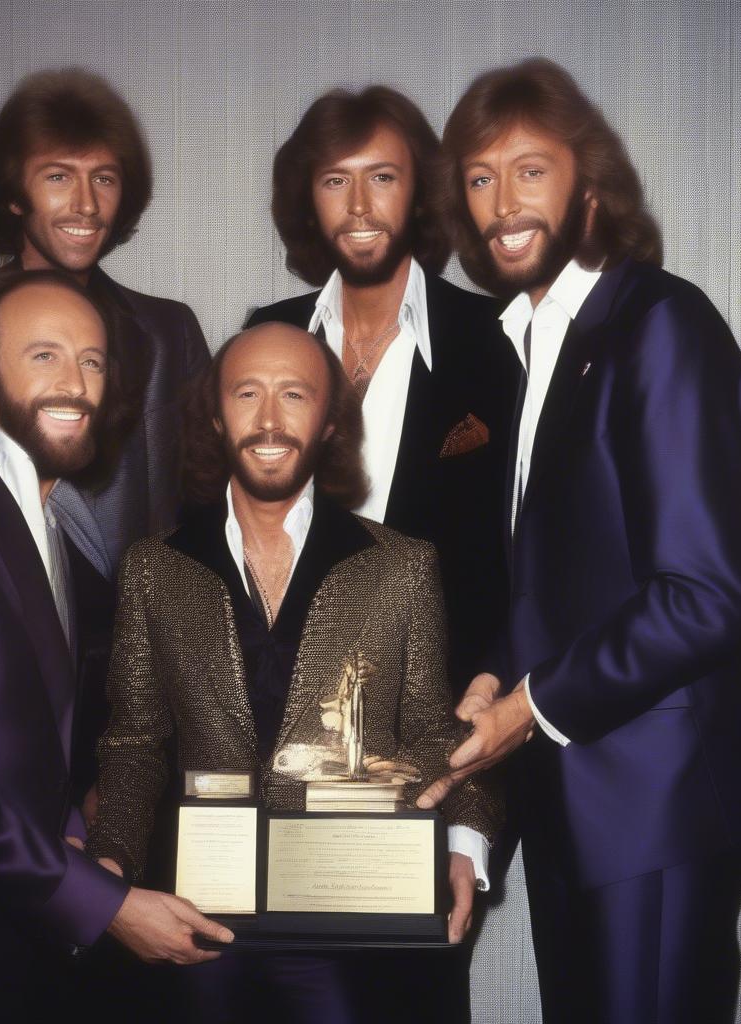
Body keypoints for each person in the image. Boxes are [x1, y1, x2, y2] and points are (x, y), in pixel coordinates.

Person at [416, 58, 741, 1024]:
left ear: (590, 185)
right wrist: (496, 681)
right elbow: (559, 584)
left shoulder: (661, 324)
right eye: (479, 176)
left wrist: (526, 709)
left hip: (657, 809)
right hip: (578, 805)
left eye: (529, 169)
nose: (502, 202)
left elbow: (708, 592)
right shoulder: (536, 344)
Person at [86, 322, 501, 1023]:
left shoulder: (402, 566)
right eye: (247, 393)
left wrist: (466, 841)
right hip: (198, 921)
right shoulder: (153, 569)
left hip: (349, 925)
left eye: (295, 395)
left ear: (330, 420)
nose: (270, 420)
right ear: (215, 417)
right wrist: (108, 873)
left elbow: (433, 729)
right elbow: (133, 744)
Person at [0, 271, 230, 1024]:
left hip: (24, 941)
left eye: (92, 361)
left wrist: (95, 825)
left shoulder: (47, 530)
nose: (76, 381)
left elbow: (27, 745)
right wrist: (105, 902)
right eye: (44, 356)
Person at [245, 84, 518, 1022]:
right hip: (272, 785)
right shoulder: (264, 337)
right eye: (335, 180)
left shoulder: (497, 346)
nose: (359, 207)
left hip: (436, 774)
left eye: (384, 178)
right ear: (306, 199)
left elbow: (523, 589)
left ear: (420, 192)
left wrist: (471, 838)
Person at [0, 66, 210, 808]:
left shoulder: (169, 333)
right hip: (13, 691)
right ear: (14, 193)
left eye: (105, 179)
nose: (85, 204)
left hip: (154, 688)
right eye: (57, 176)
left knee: (153, 919)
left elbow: (206, 520)